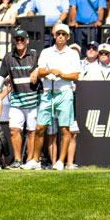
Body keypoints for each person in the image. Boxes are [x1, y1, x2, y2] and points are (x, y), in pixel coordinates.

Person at [33, 23, 82, 169]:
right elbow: (40, 72)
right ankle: (35, 161)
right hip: (48, 93)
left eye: (63, 34)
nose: (60, 37)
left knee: (64, 129)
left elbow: (76, 75)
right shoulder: (46, 52)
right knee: (40, 127)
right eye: (58, 34)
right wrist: (50, 72)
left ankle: (61, 162)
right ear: (54, 35)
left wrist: (62, 74)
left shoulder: (73, 53)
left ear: (67, 37)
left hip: (65, 92)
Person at [0, 30, 42, 170]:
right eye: (17, 39)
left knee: (32, 131)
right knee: (13, 130)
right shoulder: (8, 57)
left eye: (22, 39)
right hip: (16, 100)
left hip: (34, 100)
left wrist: (38, 70)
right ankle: (17, 160)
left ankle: (30, 160)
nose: (19, 41)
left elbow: (44, 67)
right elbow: (0, 76)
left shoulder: (35, 54)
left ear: (27, 40)